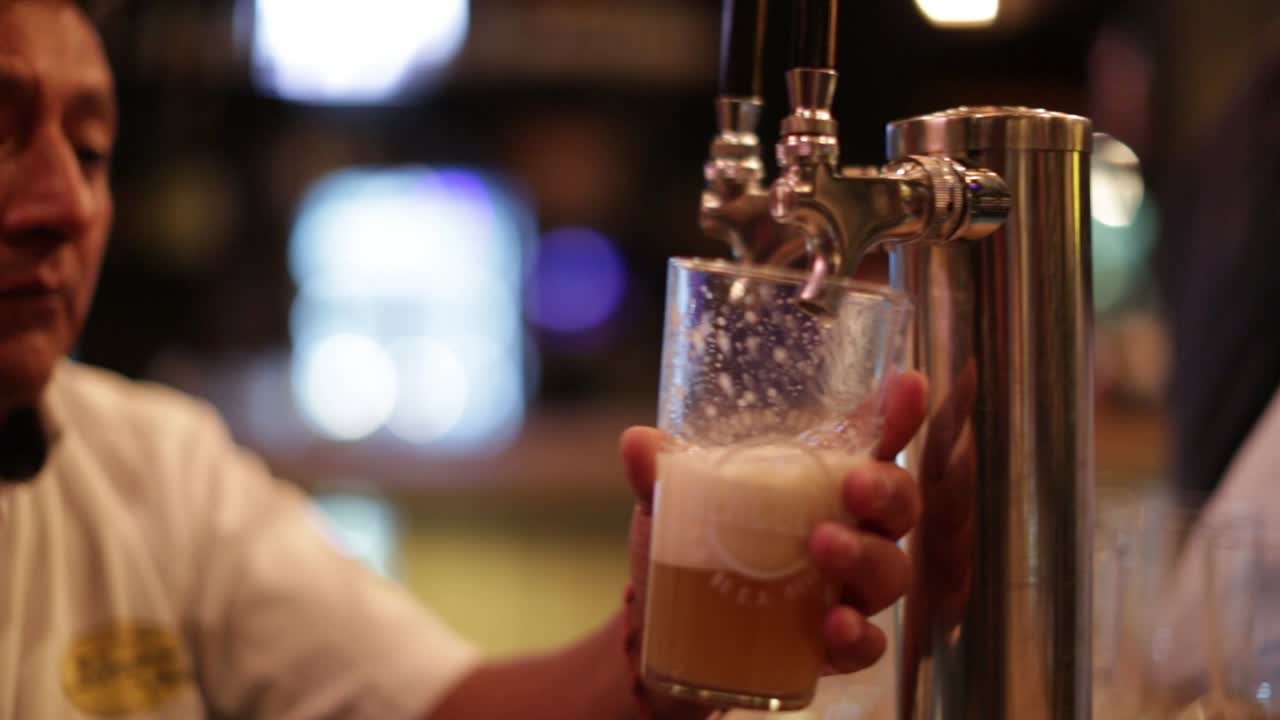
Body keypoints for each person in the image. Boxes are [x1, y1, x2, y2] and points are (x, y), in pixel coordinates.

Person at [0, 1, 928, 717]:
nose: (67, 204)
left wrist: (661, 663)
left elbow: (440, 708)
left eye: (89, 151)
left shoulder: (156, 473)